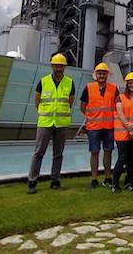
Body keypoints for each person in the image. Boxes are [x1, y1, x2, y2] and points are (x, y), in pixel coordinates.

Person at [27, 53, 75, 194]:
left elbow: (70, 102)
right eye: (56, 65)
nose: (59, 68)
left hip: (61, 123)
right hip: (45, 122)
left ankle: (55, 180)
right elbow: (37, 101)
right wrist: (45, 113)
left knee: (58, 153)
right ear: (52, 66)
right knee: (38, 153)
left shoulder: (69, 82)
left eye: (61, 66)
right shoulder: (43, 81)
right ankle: (32, 181)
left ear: (64, 67)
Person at [80, 62, 118, 188]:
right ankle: (94, 179)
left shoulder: (114, 88)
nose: (101, 75)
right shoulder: (88, 87)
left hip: (109, 126)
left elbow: (118, 106)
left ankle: (108, 177)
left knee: (108, 152)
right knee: (94, 152)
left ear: (107, 75)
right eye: (99, 73)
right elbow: (83, 106)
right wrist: (91, 117)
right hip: (94, 127)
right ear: (95, 74)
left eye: (104, 73)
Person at [111, 72, 133, 193]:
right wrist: (129, 128)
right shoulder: (120, 97)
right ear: (127, 84)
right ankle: (114, 183)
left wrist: (132, 127)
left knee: (132, 159)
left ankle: (129, 182)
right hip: (122, 134)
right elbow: (120, 114)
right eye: (130, 83)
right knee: (122, 158)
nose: (132, 85)